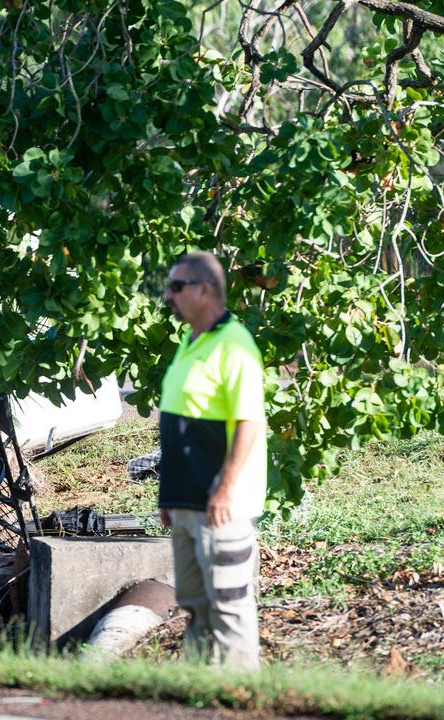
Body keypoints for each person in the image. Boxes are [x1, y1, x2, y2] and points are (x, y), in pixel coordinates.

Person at [158, 251, 267, 671]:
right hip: (185, 503)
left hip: (221, 506)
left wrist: (224, 490)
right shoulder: (192, 342)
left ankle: (243, 698)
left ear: (204, 290)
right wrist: (170, 496)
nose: (169, 296)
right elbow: (178, 425)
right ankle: (201, 694)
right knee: (195, 605)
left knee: (229, 604)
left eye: (177, 287)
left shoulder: (235, 344)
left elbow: (249, 421)